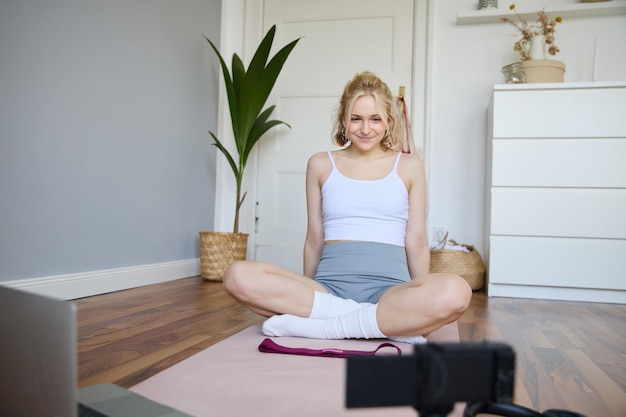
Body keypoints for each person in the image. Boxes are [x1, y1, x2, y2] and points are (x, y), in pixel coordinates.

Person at [223, 71, 472, 343]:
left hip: (390, 294)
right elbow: (314, 237)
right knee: (237, 276)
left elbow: (417, 241)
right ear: (343, 119)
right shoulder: (320, 164)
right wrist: (308, 293)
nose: (365, 129)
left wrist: (419, 294)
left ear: (389, 120)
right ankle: (372, 323)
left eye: (375, 119)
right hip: (329, 291)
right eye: (356, 118)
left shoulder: (409, 166)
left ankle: (329, 326)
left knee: (457, 291)